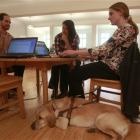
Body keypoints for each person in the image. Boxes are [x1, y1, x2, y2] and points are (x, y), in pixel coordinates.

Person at [62, 2, 140, 122]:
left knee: (73, 74)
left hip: (113, 69)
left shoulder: (126, 30)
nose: (108, 17)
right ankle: (79, 103)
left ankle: (79, 105)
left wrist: (75, 52)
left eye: (111, 13)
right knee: (76, 73)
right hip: (113, 67)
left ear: (120, 12)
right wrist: (84, 54)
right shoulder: (125, 30)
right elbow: (108, 51)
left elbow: (103, 49)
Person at [48, 20, 80, 98]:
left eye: (66, 28)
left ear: (71, 29)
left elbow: (74, 54)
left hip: (73, 60)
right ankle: (54, 89)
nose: (63, 30)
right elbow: (58, 52)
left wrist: (66, 41)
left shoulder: (75, 37)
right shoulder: (58, 37)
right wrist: (64, 54)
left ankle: (64, 91)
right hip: (62, 59)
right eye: (63, 28)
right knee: (55, 66)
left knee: (64, 67)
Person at [0, 13, 25, 77]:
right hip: (1, 63)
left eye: (9, 22)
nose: (8, 24)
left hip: (6, 63)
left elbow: (14, 51)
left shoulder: (10, 37)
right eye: (6, 21)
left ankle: (16, 85)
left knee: (21, 64)